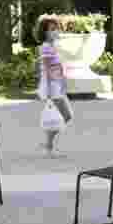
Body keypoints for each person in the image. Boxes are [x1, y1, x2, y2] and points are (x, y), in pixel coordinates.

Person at [37, 17, 72, 155]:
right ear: (44, 32)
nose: (55, 31)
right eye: (52, 29)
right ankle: (48, 145)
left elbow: (58, 67)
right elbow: (45, 69)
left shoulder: (52, 47)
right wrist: (49, 91)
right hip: (53, 88)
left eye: (56, 28)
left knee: (61, 116)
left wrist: (63, 82)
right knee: (65, 115)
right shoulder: (46, 47)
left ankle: (48, 145)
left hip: (57, 86)